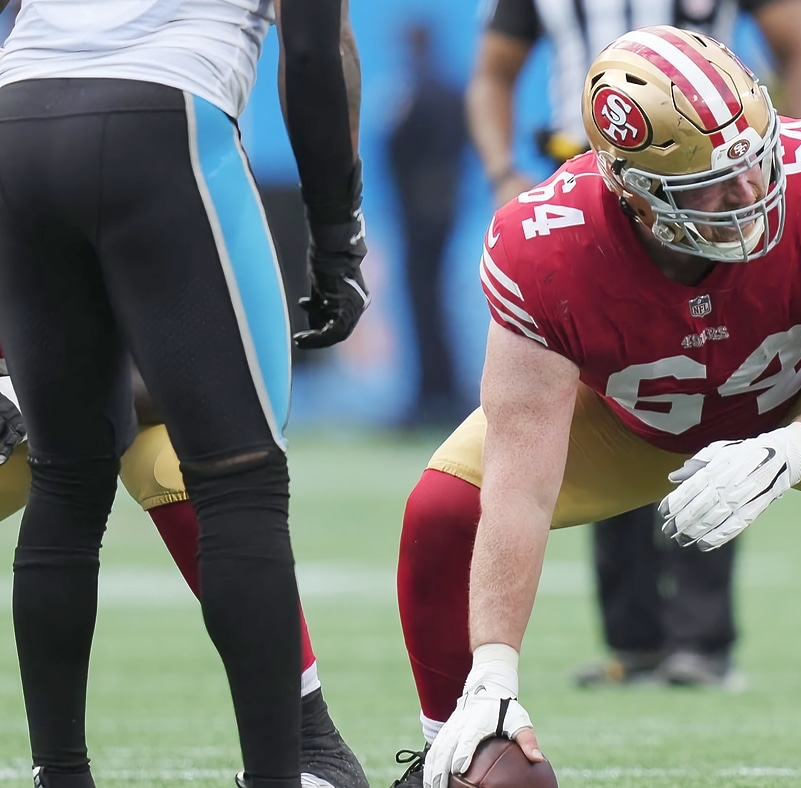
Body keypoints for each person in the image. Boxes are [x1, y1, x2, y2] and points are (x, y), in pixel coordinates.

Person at [392, 26, 801, 788]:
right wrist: (495, 673)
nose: (751, 193)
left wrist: (793, 448)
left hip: (793, 389)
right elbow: (519, 479)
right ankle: (449, 747)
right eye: (712, 183)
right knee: (440, 510)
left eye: (754, 159)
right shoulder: (542, 248)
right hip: (625, 418)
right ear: (634, 192)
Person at [0, 0, 369, 785]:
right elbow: (312, 52)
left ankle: (58, 774)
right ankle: (285, 768)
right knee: (242, 482)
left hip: (18, 117)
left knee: (67, 481)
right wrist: (337, 235)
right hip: (165, 120)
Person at [467, 0, 801, 690]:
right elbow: (493, 72)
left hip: (709, 188)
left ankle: (701, 637)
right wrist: (500, 171)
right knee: (601, 400)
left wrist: (798, 148)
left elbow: (798, 46)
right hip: (590, 191)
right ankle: (633, 639)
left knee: (715, 390)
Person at [0, 366, 369, 788]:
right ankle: (59, 770)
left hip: (65, 389)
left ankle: (311, 739)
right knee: (68, 453)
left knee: (175, 459)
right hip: (45, 387)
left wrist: (42, 387)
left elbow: (208, 369)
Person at [388, 22, 473, 429]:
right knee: (427, 303)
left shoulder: (426, 94)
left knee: (426, 302)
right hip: (429, 213)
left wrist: (433, 195)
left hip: (425, 217)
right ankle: (436, 390)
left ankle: (435, 394)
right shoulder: (444, 91)